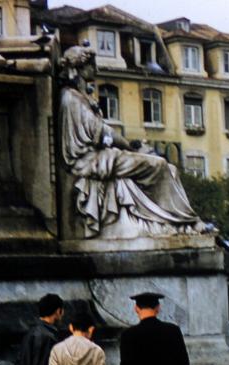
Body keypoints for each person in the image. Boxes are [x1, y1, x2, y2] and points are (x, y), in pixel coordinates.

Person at [59, 45, 200, 238]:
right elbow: (101, 132)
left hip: (101, 155)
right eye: (91, 65)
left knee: (170, 169)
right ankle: (182, 220)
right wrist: (130, 147)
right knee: (158, 165)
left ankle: (181, 223)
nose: (95, 69)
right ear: (79, 68)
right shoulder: (71, 98)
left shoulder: (82, 97)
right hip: (90, 160)